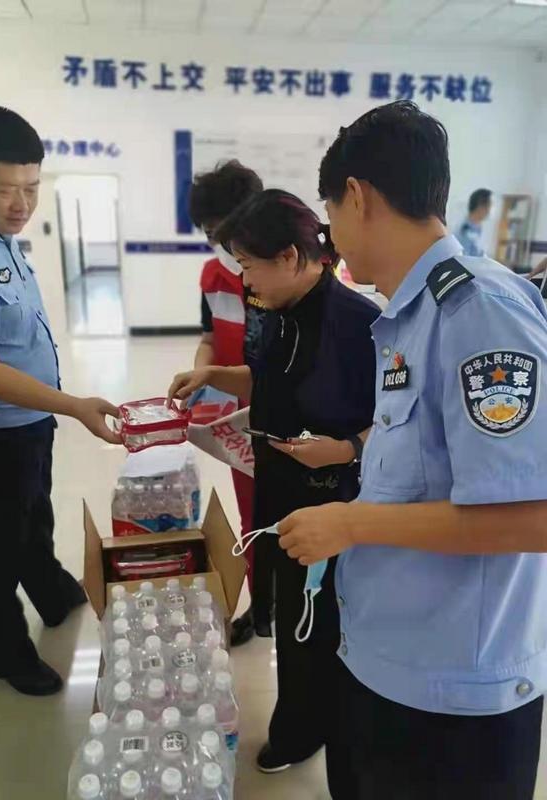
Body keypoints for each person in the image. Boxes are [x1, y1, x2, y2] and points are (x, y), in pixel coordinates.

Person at [278, 100, 547, 799]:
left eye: (330, 218)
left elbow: (532, 517)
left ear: (358, 198)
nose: (333, 240)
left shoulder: (478, 311)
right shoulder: (409, 316)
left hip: (454, 701)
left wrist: (351, 523)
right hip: (388, 662)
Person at [168, 189, 378, 774]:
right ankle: (306, 719)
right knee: (292, 616)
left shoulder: (359, 324)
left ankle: (307, 731)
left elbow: (398, 418)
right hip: (281, 484)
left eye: (249, 264)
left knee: (318, 620)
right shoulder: (275, 306)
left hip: (332, 499)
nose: (244, 278)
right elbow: (268, 378)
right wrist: (215, 375)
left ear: (289, 256)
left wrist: (347, 448)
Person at [0, 106, 121, 697]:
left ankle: (50, 590)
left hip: (28, 419)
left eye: (32, 188)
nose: (22, 204)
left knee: (32, 517)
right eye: (6, 190)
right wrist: (73, 405)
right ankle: (9, 656)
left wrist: (51, 409)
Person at [188, 160, 270, 646]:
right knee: (251, 516)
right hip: (239, 419)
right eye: (211, 235)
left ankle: (299, 602)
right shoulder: (213, 277)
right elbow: (208, 338)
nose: (222, 245)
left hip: (292, 418)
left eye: (227, 232)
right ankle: (261, 603)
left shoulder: (288, 272)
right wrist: (199, 371)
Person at [455, 187, 492, 256]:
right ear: (480, 206)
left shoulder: (479, 228)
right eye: (488, 206)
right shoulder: (464, 228)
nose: (489, 211)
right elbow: (463, 257)